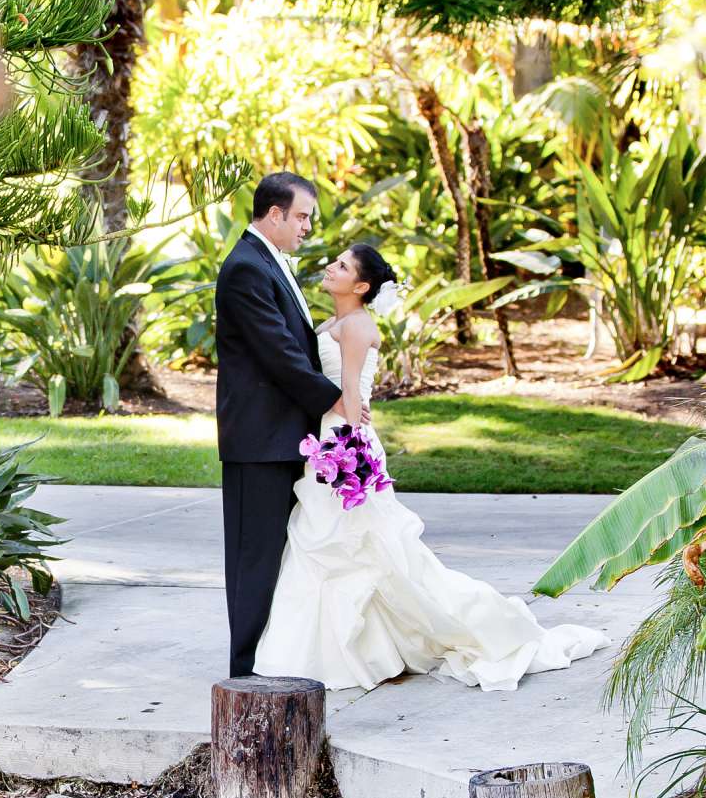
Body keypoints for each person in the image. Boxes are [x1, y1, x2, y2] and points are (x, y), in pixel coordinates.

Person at [252, 240, 610, 691]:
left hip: (344, 443)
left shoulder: (357, 326)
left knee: (354, 546)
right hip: (331, 435)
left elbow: (350, 393)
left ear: (361, 285)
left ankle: (371, 647)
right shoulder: (338, 321)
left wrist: (346, 448)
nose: (331, 267)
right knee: (330, 545)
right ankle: (339, 650)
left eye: (342, 266)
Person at [216, 172, 344, 677]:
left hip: (282, 436)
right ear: (275, 214)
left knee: (281, 556)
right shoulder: (247, 268)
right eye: (302, 216)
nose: (308, 227)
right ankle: (245, 671)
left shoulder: (266, 262)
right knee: (255, 559)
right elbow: (280, 355)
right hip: (258, 441)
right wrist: (338, 401)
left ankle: (272, 659)